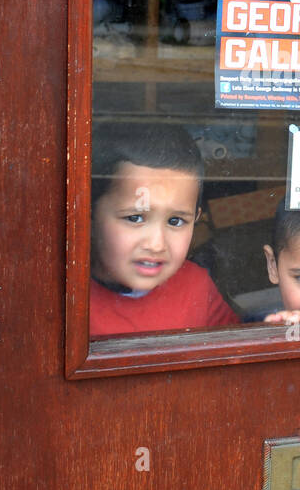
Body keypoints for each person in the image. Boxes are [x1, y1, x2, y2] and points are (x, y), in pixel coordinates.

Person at [89, 123, 239, 335]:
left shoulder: (196, 287)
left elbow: (235, 355)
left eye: (175, 221)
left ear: (196, 218)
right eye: (135, 218)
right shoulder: (68, 300)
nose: (156, 244)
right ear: (89, 215)